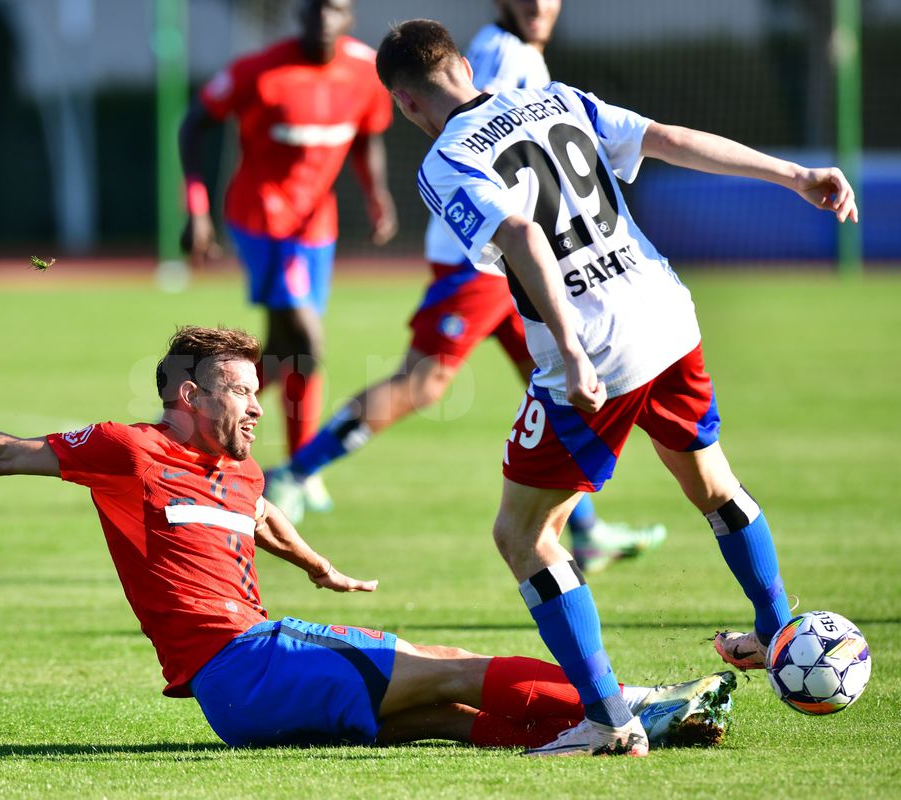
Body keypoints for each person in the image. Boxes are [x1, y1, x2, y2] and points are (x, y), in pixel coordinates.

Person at [0, 325, 734, 750]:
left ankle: (584, 731)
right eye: (240, 392)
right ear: (188, 397)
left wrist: (311, 560)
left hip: (262, 667)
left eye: (258, 391)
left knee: (448, 712)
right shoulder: (129, 452)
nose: (256, 404)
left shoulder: (243, 469)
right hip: (241, 666)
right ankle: (626, 701)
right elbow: (8, 454)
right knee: (441, 666)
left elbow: (254, 508)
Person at [374, 19, 857, 755]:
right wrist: (794, 176)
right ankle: (776, 633)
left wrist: (570, 349)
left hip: (596, 346)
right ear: (467, 66)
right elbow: (666, 137)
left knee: (524, 535)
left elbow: (523, 238)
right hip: (666, 311)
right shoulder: (557, 98)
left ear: (406, 105)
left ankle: (606, 719)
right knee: (713, 485)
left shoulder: (444, 160)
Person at [267, 0, 663, 576]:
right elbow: (482, 149)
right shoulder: (500, 57)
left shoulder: (516, 53)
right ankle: (296, 473)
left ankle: (586, 530)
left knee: (555, 385)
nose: (538, 6)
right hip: (482, 262)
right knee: (423, 382)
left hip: (518, 264)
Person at [178, 0, 398, 516]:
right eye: (315, 8)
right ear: (299, 15)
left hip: (316, 225)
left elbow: (367, 137)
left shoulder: (367, 71)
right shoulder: (257, 73)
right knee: (309, 338)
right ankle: (296, 470)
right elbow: (193, 124)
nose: (324, 19)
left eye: (336, 8)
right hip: (261, 219)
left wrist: (375, 194)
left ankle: (198, 420)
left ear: (350, 16)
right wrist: (198, 209)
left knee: (285, 352)